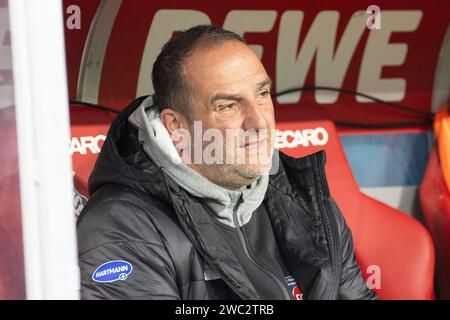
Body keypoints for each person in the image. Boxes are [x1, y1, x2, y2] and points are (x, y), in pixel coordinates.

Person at [77, 25, 378, 300]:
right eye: (228, 106)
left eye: (262, 94)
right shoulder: (120, 227)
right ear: (175, 126)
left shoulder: (301, 195)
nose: (259, 121)